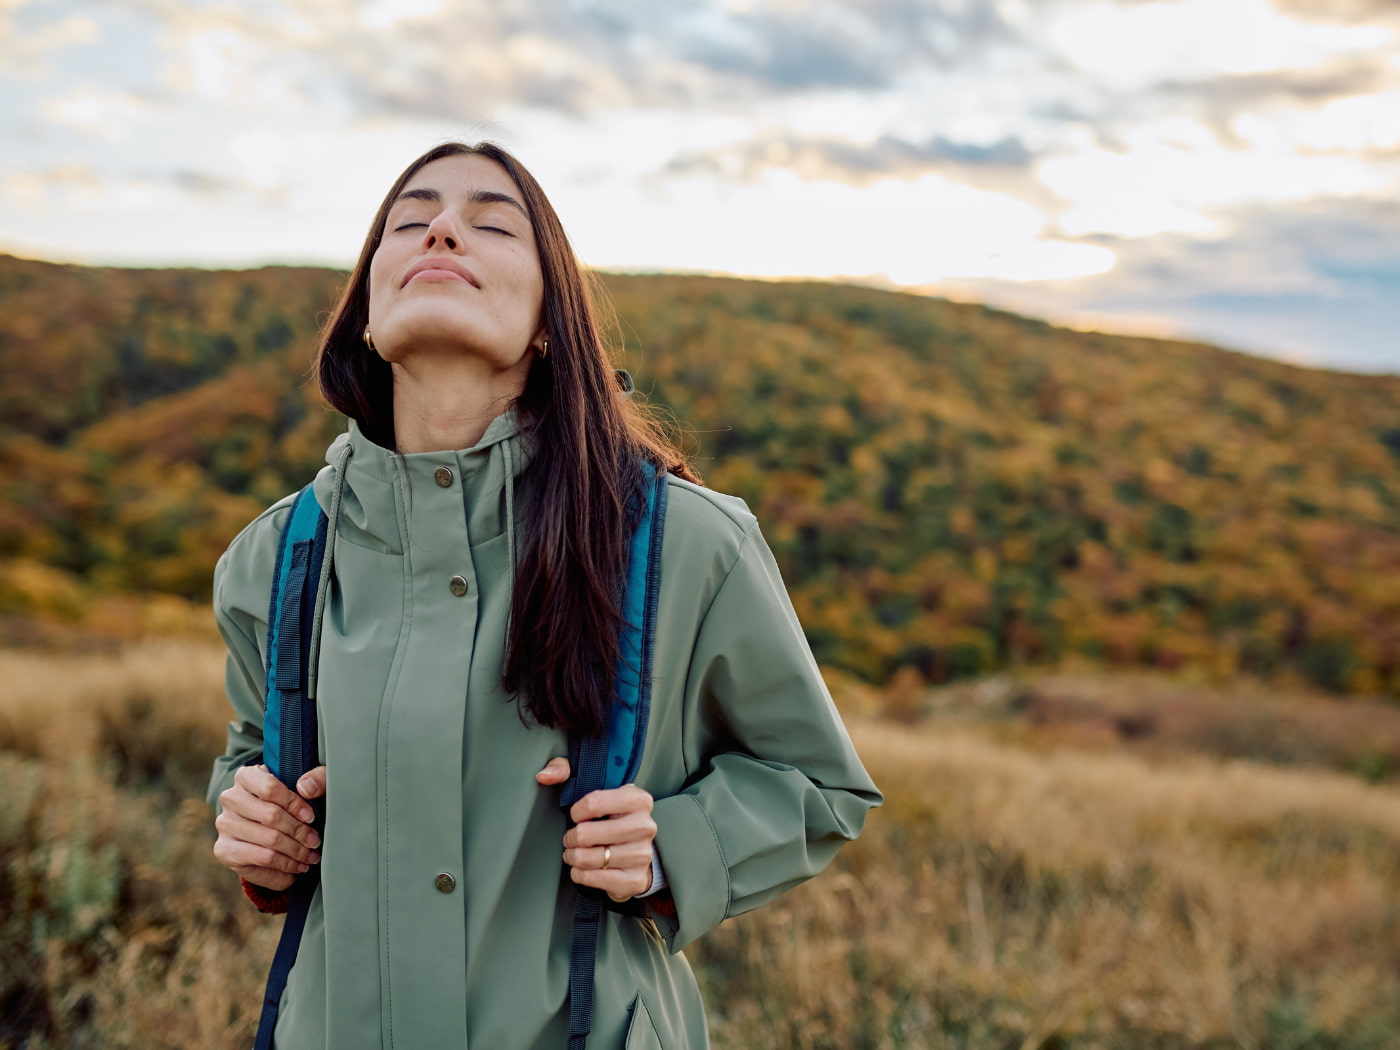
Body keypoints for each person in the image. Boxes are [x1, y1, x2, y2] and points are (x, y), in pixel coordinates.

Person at [206, 140, 881, 1049]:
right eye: (409, 222)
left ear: (548, 325)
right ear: (367, 312)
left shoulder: (687, 542)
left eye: (490, 224)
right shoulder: (274, 557)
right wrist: (253, 820)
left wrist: (670, 848)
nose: (441, 230)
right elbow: (251, 751)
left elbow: (818, 785)